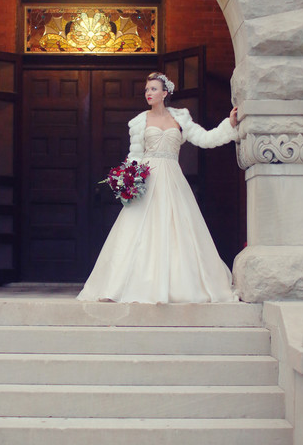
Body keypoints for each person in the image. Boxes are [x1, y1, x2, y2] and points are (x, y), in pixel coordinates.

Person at [78, 72, 239, 303]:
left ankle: (180, 286)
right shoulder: (138, 122)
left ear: (165, 93)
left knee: (177, 229)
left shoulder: (181, 118)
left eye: (153, 89)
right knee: (138, 231)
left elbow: (205, 139)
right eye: (146, 90)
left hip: (173, 180)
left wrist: (229, 124)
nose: (148, 93)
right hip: (148, 179)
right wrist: (127, 179)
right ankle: (127, 285)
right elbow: (134, 156)